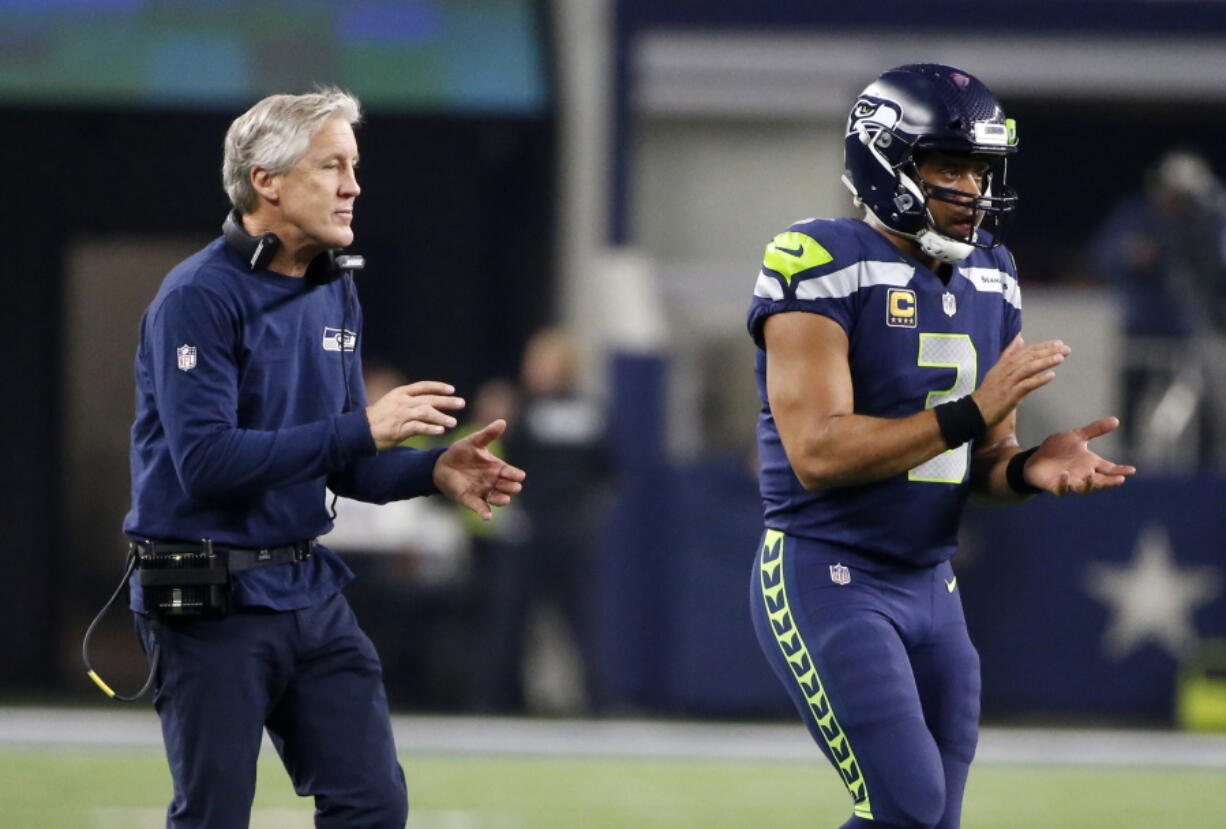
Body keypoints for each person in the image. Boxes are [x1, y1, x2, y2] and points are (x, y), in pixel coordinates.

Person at [123, 88, 525, 828]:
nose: (353, 185)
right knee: (214, 815)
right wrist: (363, 431)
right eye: (332, 166)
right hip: (211, 598)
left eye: (355, 165)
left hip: (309, 588)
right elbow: (207, 464)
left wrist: (430, 469)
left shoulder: (334, 290)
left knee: (373, 805)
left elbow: (344, 465)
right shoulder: (197, 297)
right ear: (266, 181)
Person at [745, 64, 1134, 829]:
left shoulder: (993, 273)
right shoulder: (818, 257)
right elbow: (817, 454)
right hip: (828, 569)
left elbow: (984, 460)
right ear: (886, 163)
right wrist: (974, 410)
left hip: (931, 584)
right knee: (908, 805)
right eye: (948, 166)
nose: (971, 189)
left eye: (979, 170)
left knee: (935, 821)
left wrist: (1028, 468)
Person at [1090, 149, 1226, 468]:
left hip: (1186, 329)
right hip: (1142, 327)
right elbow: (1105, 255)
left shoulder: (1203, 223)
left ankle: (1205, 469)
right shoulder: (1136, 217)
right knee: (1134, 402)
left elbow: (1213, 265)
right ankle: (1129, 464)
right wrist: (1131, 255)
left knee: (1200, 401)